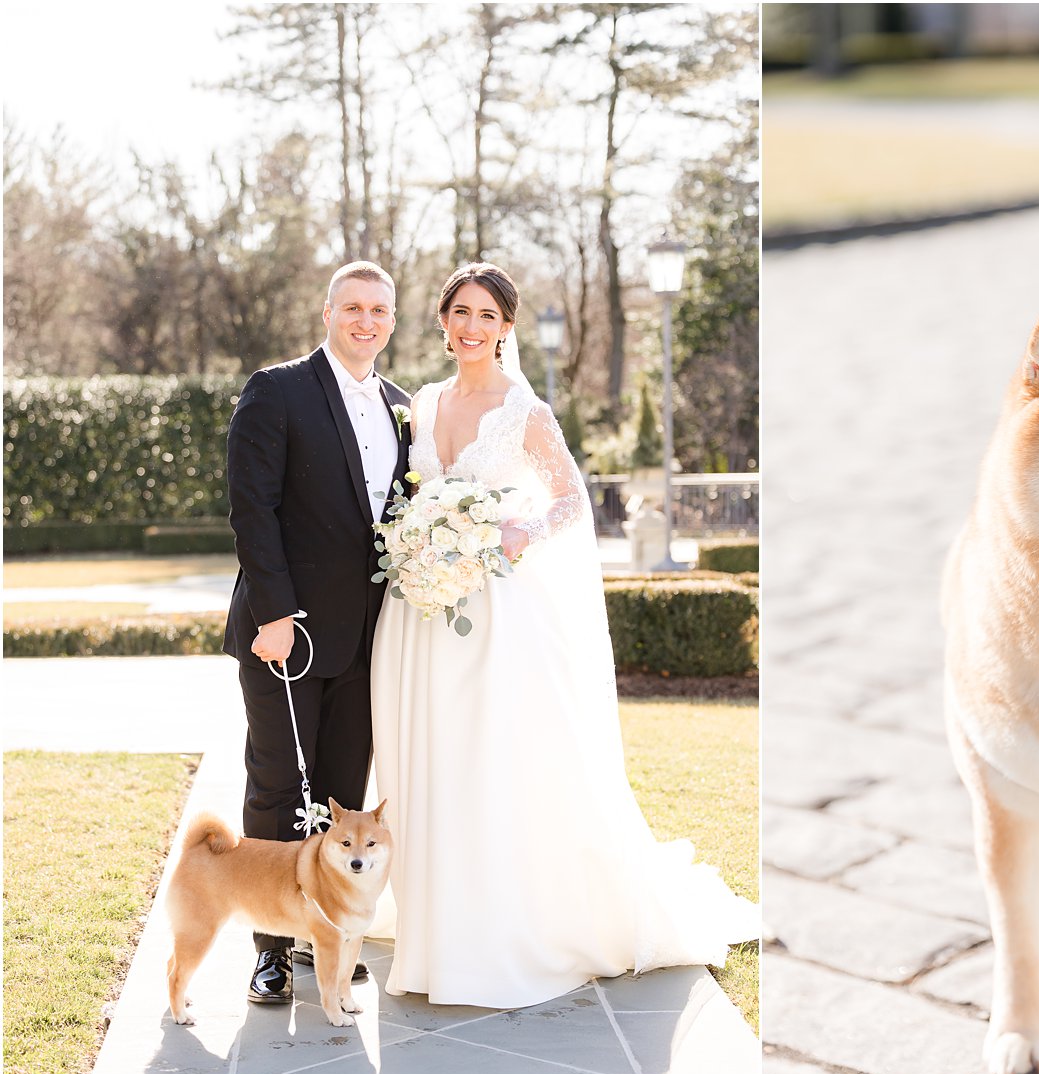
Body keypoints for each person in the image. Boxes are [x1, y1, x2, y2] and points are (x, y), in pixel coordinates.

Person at [369, 262, 756, 1008]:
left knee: (492, 759)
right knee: (432, 758)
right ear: (442, 321)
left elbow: (571, 499)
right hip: (422, 613)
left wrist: (517, 530)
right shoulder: (421, 402)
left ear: (506, 328)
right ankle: (436, 918)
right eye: (460, 312)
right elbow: (413, 494)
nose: (471, 327)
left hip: (499, 622)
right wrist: (422, 542)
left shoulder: (525, 409)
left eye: (486, 315)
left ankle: (496, 927)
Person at [224, 261, 412, 1004]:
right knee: (277, 791)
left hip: (370, 641)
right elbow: (251, 506)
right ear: (327, 310)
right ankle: (268, 946)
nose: (366, 321)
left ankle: (322, 935)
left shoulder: (401, 406)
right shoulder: (277, 389)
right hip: (288, 634)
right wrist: (272, 613)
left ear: (392, 322)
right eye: (353, 307)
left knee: (341, 801)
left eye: (379, 311)